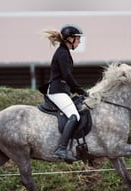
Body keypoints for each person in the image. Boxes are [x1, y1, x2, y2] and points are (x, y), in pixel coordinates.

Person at [40, 24, 88, 162]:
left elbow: (65, 77)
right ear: (70, 39)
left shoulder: (64, 52)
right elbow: (67, 76)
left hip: (62, 90)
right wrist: (80, 90)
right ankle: (61, 149)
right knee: (74, 116)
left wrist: (76, 90)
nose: (79, 42)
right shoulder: (62, 54)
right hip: (57, 91)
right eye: (78, 39)